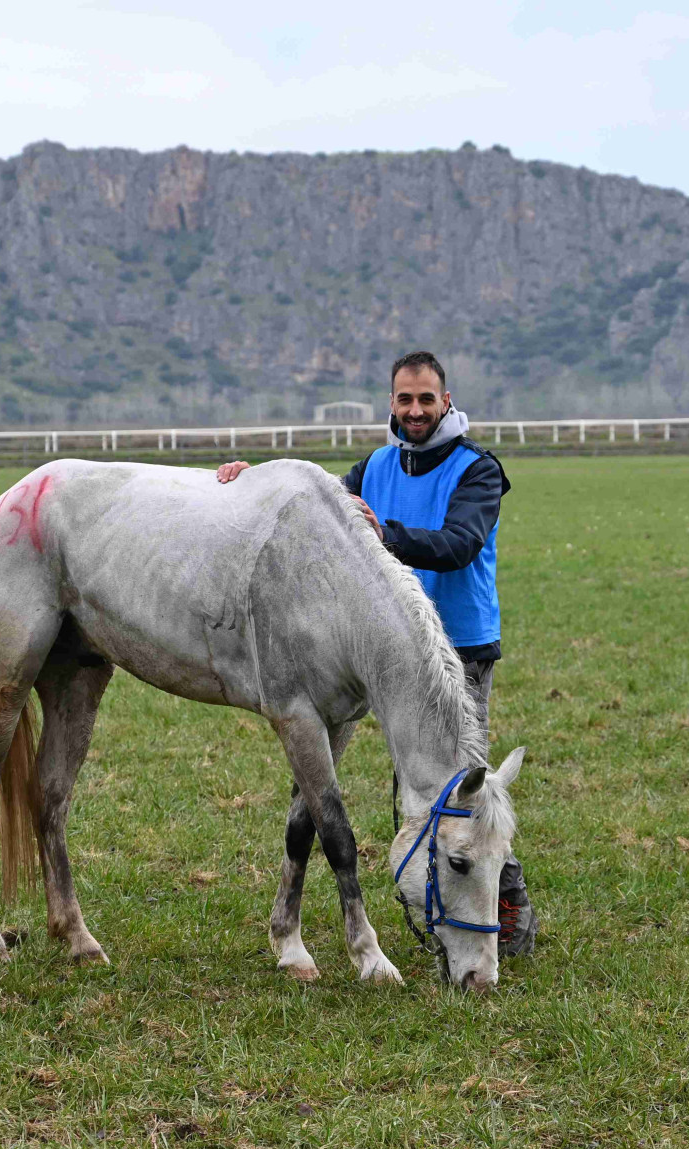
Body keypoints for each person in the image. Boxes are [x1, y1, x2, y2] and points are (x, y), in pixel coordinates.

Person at [216, 350, 537, 957]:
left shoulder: (478, 470)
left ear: (446, 402)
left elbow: (458, 544)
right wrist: (252, 483)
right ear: (391, 403)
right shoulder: (377, 466)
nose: (415, 411)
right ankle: (441, 908)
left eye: (426, 400)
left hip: (458, 649)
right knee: (418, 796)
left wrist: (382, 531)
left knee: (465, 794)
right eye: (404, 400)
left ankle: (506, 910)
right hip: (388, 653)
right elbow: (313, 513)